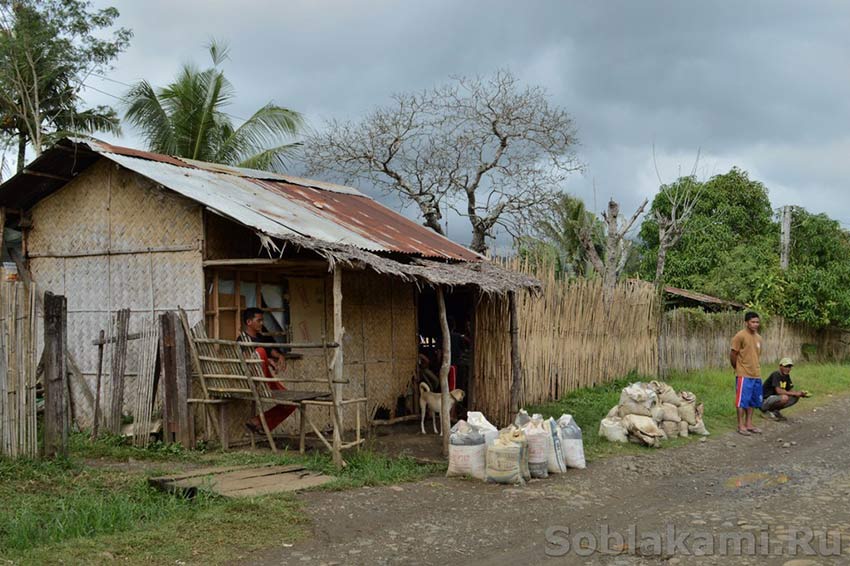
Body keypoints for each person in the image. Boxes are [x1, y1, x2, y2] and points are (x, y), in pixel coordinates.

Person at [240, 308, 296, 435]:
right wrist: (266, 359)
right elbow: (247, 360)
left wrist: (279, 356)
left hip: (268, 380)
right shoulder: (242, 340)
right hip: (256, 381)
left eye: (262, 320)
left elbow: (271, 351)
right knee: (260, 351)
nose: (261, 323)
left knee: (291, 403)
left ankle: (259, 422)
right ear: (249, 322)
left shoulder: (260, 338)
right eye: (258, 320)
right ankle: (260, 423)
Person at [730, 311, 763, 436]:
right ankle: (740, 425)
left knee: (753, 401)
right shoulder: (740, 336)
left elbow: (757, 355)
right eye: (753, 322)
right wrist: (737, 367)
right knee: (742, 401)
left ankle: (749, 424)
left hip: (756, 374)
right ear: (746, 323)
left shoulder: (759, 338)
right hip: (744, 374)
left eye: (757, 322)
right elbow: (733, 354)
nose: (755, 324)